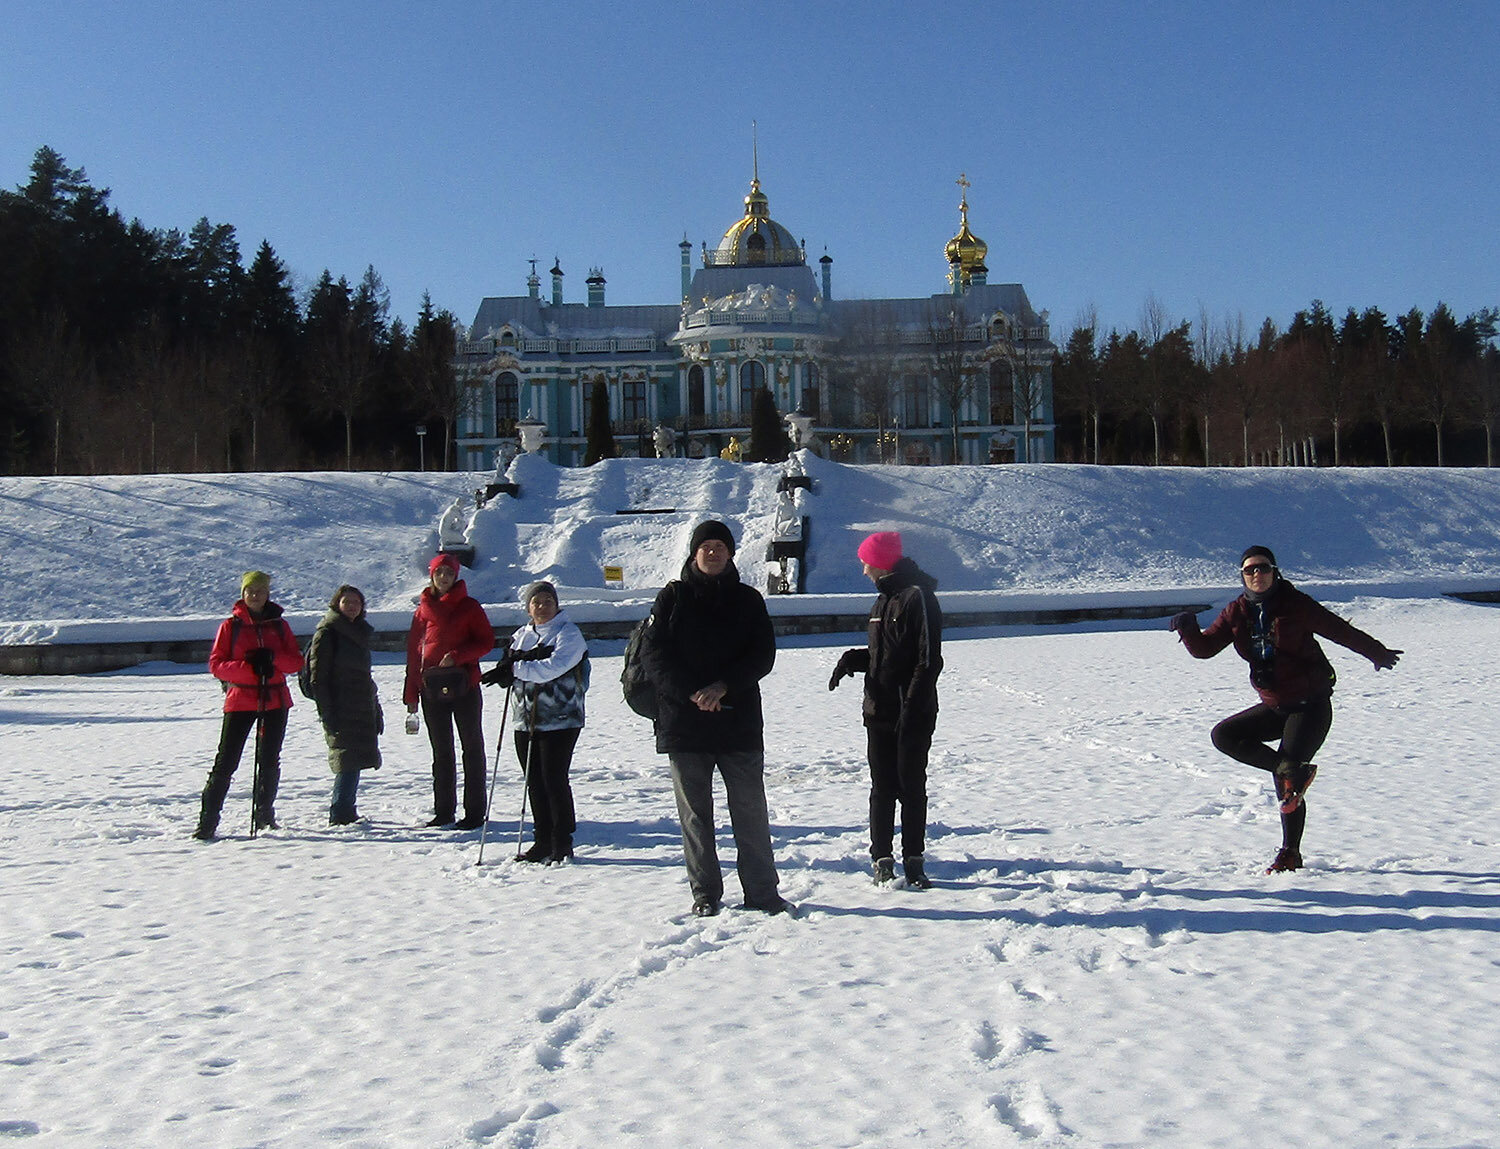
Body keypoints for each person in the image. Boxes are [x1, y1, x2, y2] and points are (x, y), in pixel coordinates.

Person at [1171, 545, 1402, 873]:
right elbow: (1205, 649)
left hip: (1311, 706)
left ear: (1274, 571)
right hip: (1276, 705)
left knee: (1287, 778)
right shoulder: (1236, 612)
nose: (1256, 575)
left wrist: (1376, 652)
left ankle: (1289, 852)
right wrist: (1187, 627)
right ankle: (1292, 771)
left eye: (1263, 568)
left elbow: (1339, 630)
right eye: (1249, 570)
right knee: (1225, 735)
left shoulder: (1295, 604)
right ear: (1242, 576)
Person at [638, 520, 790, 917]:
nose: (713, 552)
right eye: (705, 546)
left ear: (731, 553)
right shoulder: (671, 600)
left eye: (720, 546)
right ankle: (705, 893)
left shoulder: (748, 600)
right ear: (693, 553)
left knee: (751, 813)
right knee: (695, 818)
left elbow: (762, 656)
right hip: (685, 725)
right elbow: (653, 657)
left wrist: (723, 686)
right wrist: (693, 692)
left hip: (738, 722)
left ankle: (762, 892)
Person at [829, 531, 944, 889]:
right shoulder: (882, 602)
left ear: (880, 561)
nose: (863, 570)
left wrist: (911, 711)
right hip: (878, 711)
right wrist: (854, 660)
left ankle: (914, 860)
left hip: (911, 713)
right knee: (881, 787)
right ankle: (881, 858)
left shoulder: (917, 597)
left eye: (866, 562)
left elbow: (927, 661)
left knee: (911, 786)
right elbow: (886, 657)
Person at [481, 581, 586, 863]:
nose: (541, 607)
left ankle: (561, 841)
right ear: (528, 607)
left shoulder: (569, 633)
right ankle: (542, 839)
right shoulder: (521, 635)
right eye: (536, 602)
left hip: (561, 718)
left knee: (554, 778)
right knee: (534, 780)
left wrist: (516, 668)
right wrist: (507, 671)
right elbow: (509, 666)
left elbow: (552, 668)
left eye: (547, 601)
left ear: (557, 604)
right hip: (525, 719)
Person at [194, 570, 303, 839]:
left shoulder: (280, 626)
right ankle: (208, 820)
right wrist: (249, 667)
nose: (254, 596)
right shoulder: (230, 627)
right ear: (242, 594)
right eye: (250, 591)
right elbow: (216, 665)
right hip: (241, 700)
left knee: (269, 760)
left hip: (275, 700)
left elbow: (295, 662)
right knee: (226, 761)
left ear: (267, 595)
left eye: (260, 591)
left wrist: (273, 659)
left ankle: (264, 814)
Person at [403, 553, 495, 830]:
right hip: (431, 689)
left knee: (472, 748)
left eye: (449, 574)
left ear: (456, 577)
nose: (444, 578)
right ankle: (444, 810)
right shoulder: (422, 611)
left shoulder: (469, 607)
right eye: (439, 573)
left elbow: (486, 641)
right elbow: (413, 654)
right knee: (441, 751)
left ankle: (475, 812)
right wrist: (411, 693)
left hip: (464, 685)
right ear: (431, 575)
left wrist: (458, 655)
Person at [307, 584, 383, 825]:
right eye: (346, 602)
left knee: (355, 757)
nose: (352, 607)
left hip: (360, 703)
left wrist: (376, 707)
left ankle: (347, 808)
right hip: (340, 705)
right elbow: (318, 677)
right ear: (336, 604)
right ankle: (340, 811)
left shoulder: (358, 632)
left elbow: (364, 675)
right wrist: (327, 711)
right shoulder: (328, 633)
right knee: (346, 758)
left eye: (356, 603)